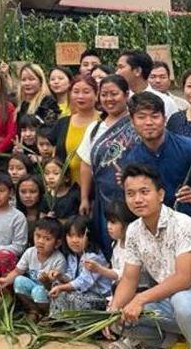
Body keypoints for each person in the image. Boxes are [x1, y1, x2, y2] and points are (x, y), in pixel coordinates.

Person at [105, 163, 191, 349]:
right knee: (118, 318)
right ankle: (168, 343)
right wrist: (112, 310)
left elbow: (184, 279)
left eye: (144, 192)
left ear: (160, 195)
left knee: (183, 302)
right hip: (168, 308)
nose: (137, 199)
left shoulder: (182, 224)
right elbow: (129, 280)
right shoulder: (133, 231)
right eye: (130, 194)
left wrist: (139, 299)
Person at [124, 94, 191, 275]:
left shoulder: (190, 148)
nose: (149, 122)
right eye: (141, 117)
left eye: (155, 116)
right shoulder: (133, 159)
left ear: (165, 119)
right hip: (166, 236)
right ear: (132, 121)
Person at [77, 75, 142, 255]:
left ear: (126, 94)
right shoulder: (95, 128)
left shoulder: (136, 124)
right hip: (102, 198)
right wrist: (84, 198)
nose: (109, 99)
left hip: (131, 197)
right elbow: (86, 164)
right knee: (105, 241)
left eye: (114, 94)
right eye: (104, 94)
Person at [0, 216, 64, 313]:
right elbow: (17, 271)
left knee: (38, 291)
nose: (40, 241)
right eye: (38, 236)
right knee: (19, 281)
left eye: (47, 239)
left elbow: (57, 287)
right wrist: (5, 280)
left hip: (49, 293)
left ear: (57, 243)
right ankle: (33, 310)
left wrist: (46, 282)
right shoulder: (30, 252)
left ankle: (47, 314)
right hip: (33, 287)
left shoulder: (59, 259)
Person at [48, 215, 114, 313]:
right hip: (82, 293)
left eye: (79, 236)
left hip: (100, 298)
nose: (74, 240)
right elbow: (71, 277)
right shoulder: (72, 255)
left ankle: (76, 323)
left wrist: (61, 288)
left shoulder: (93, 257)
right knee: (56, 284)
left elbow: (83, 282)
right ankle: (57, 320)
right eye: (70, 236)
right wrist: (60, 276)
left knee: (72, 296)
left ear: (89, 236)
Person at [52, 73, 99, 184]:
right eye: (76, 92)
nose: (80, 96)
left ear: (97, 95)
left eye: (86, 92)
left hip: (96, 189)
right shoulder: (62, 123)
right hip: (68, 189)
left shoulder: (104, 121)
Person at [116, 50, 180, 119]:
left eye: (121, 67)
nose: (117, 73)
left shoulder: (166, 102)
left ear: (137, 71)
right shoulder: (118, 101)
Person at [15, 174, 44, 242]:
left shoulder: (47, 215)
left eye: (33, 192)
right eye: (23, 192)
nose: (28, 196)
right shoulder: (13, 215)